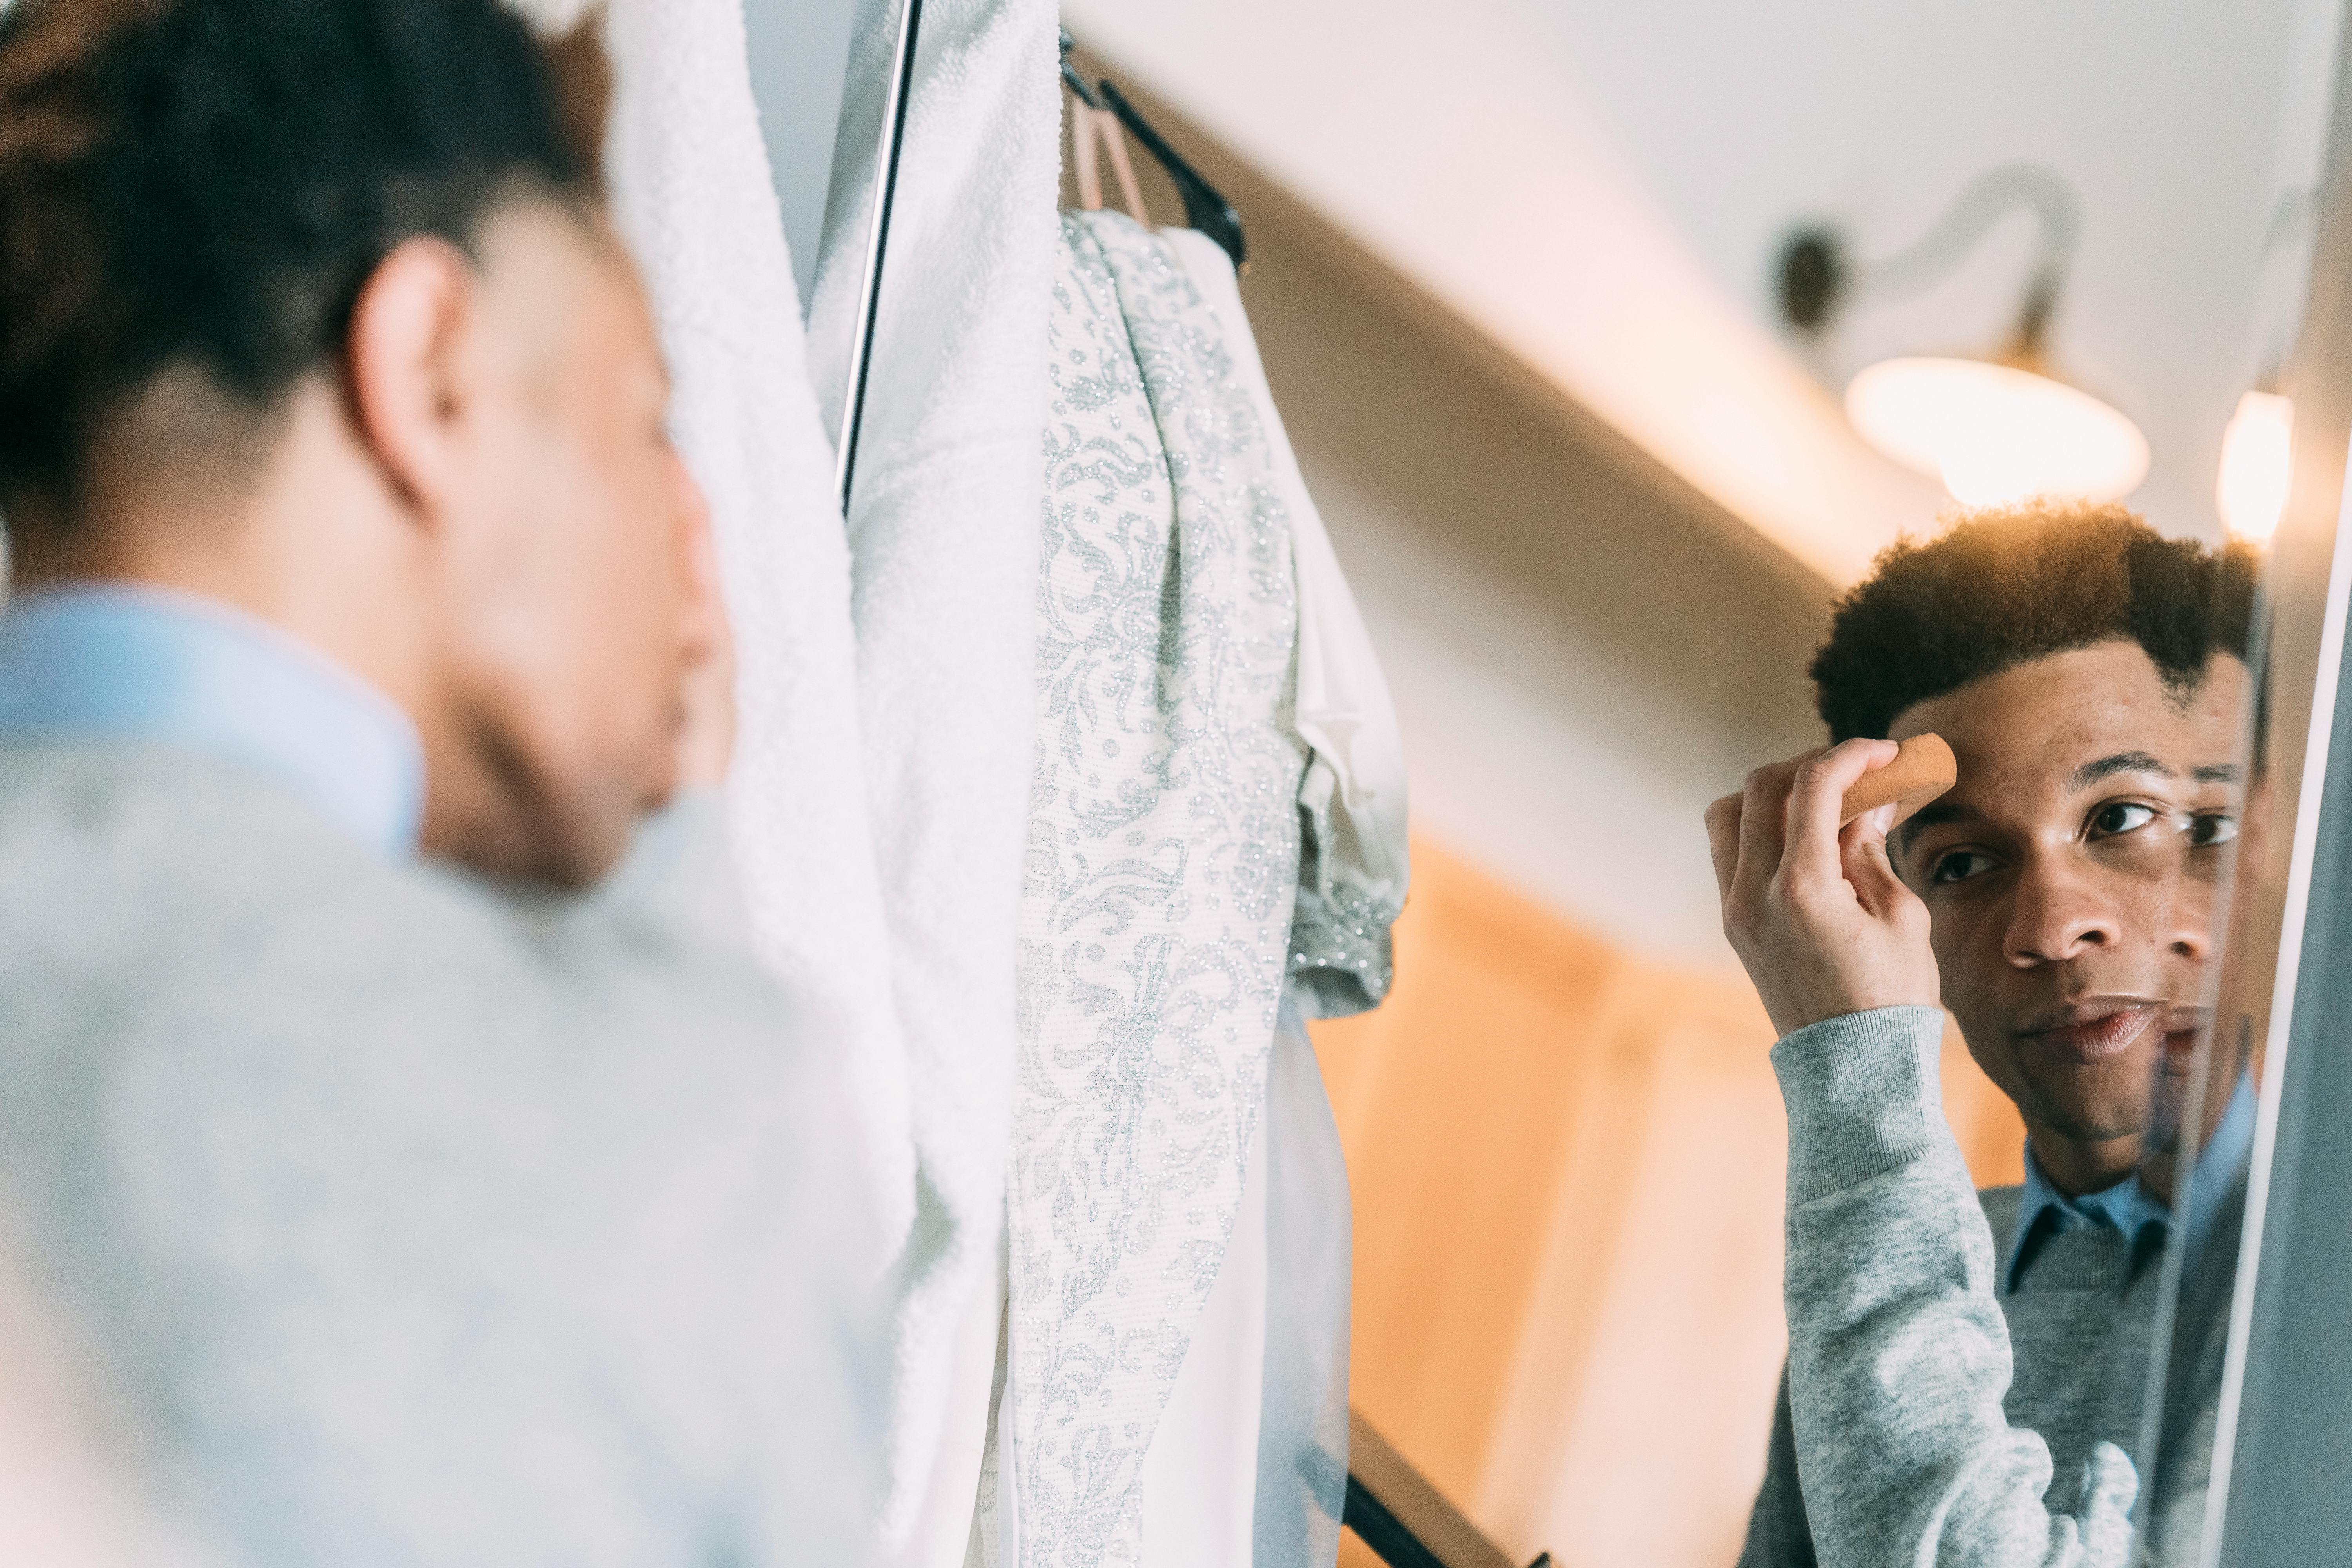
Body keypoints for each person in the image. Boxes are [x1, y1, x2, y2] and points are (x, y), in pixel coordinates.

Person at [0, 0, 877, 1562]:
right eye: (639, 420)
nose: (685, 531)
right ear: (431, 369)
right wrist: (680, 878)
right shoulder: (659, 1143)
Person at [1710, 502, 2259, 1566]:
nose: (2054, 929)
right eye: (1963, 865)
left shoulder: (2314, 1273)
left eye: (2125, 819)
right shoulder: (1896, 1277)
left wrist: (1856, 1078)